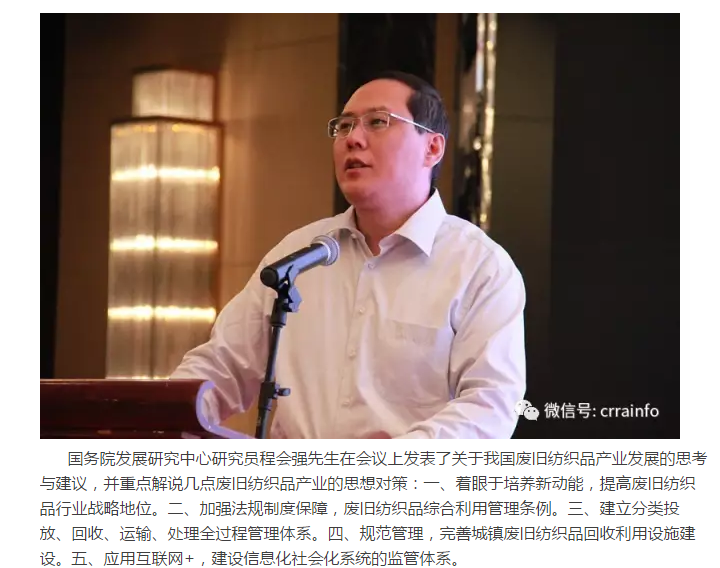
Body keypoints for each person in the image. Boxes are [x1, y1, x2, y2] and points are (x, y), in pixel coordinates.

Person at [171, 70, 526, 438]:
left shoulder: (479, 267)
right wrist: (160, 417)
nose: (353, 139)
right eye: (344, 126)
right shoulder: (299, 255)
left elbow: (490, 405)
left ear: (432, 148)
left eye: (377, 122)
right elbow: (224, 365)